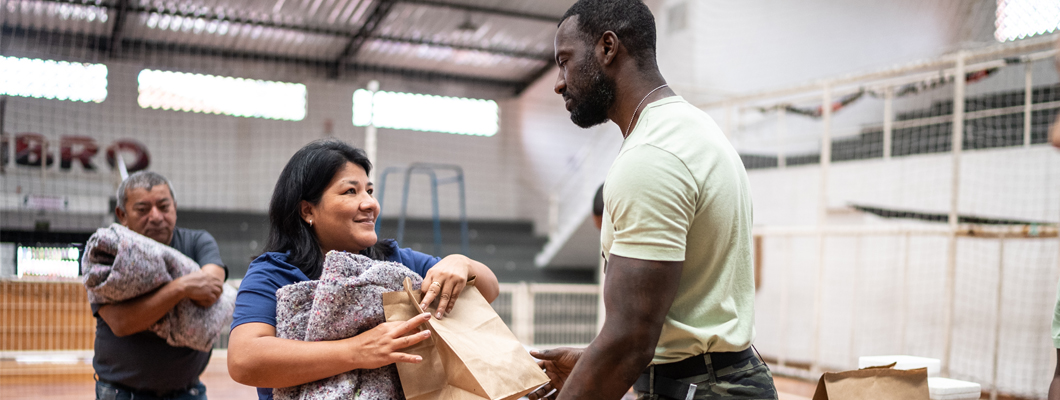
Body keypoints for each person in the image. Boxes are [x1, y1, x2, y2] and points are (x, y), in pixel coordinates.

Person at [530, 1, 777, 399]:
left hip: (703, 388)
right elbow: (669, 322)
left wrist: (605, 363)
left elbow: (629, 341)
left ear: (607, 48)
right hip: (719, 378)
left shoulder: (651, 156)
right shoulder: (691, 128)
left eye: (565, 61)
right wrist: (593, 361)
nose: (559, 83)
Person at [227, 139, 499, 400]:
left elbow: (488, 290)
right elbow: (244, 360)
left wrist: (461, 263)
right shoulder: (274, 273)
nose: (370, 203)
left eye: (369, 191)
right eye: (350, 191)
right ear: (308, 210)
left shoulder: (397, 262)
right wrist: (357, 351)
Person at [93, 171, 228, 400]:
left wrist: (144, 303)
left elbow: (211, 290)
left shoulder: (197, 242)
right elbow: (121, 323)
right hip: (122, 393)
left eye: (164, 207)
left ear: (175, 207)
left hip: (188, 392)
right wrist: (181, 287)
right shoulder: (107, 252)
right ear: (122, 215)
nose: (156, 217)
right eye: (142, 210)